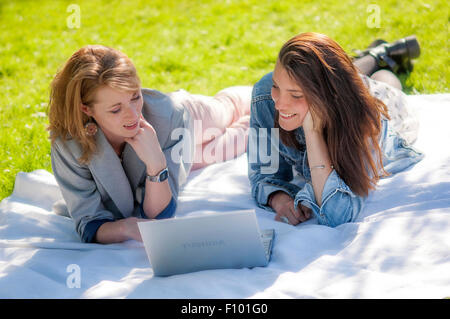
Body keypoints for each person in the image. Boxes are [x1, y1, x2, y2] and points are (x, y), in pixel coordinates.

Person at [48, 45, 252, 244]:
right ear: (86, 109)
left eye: (135, 97)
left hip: (186, 121)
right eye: (116, 109)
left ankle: (261, 90)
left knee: (229, 108)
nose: (134, 115)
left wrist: (156, 163)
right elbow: (92, 223)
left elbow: (159, 213)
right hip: (181, 153)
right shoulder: (69, 145)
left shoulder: (168, 113)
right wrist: (126, 227)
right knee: (241, 138)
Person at [248, 32, 424, 227]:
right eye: (276, 85)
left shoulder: (365, 126)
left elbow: (337, 213)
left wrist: (313, 132)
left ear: (326, 99)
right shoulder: (265, 96)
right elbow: (265, 171)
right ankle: (376, 54)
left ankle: (384, 57)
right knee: (338, 73)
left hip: (384, 103)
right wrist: (279, 198)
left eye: (296, 95)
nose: (279, 104)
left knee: (386, 84)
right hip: (338, 85)